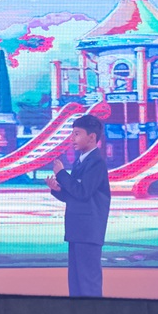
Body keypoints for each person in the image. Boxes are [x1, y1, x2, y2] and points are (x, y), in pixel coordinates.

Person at [48, 113, 111, 297]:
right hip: (77, 230)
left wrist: (61, 174)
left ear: (91, 137)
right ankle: (78, 313)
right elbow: (74, 195)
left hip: (88, 231)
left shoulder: (96, 163)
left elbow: (83, 192)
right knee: (76, 280)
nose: (72, 138)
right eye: (72, 133)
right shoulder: (80, 161)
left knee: (88, 281)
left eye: (77, 134)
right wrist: (57, 190)